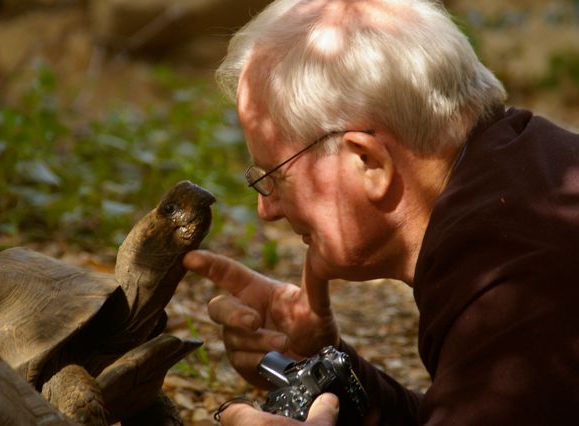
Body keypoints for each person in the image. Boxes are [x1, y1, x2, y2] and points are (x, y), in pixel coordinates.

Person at [183, 0, 579, 424]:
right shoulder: (526, 175)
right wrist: (330, 373)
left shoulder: (513, 275)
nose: (267, 209)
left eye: (274, 176)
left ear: (368, 162)